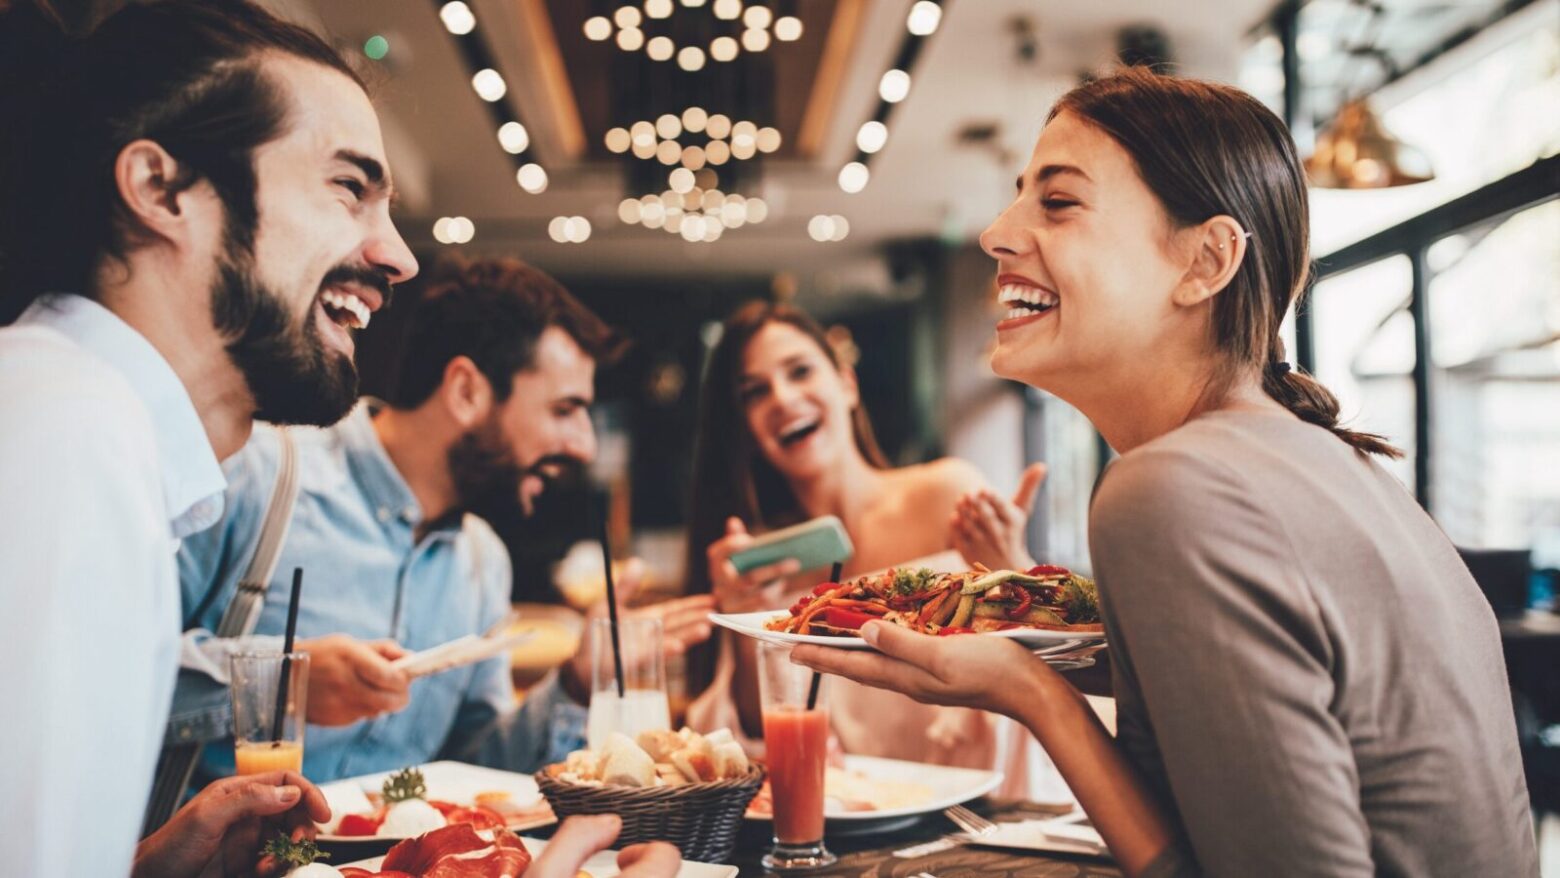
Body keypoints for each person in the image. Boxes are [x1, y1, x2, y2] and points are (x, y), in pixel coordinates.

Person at [792, 67, 1539, 877]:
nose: (996, 234)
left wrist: (1035, 694)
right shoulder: (1338, 467)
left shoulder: (1172, 486)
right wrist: (1045, 643)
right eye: (1017, 197)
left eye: (1059, 201)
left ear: (1205, 261)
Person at [0, 1, 416, 874]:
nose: (397, 256)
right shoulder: (67, 431)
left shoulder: (83, 421)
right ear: (161, 190)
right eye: (349, 187)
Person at [174, 258, 716, 786]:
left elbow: (476, 769)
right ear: (465, 391)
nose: (584, 444)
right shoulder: (254, 475)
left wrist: (576, 683)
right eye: (564, 409)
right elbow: (106, 670)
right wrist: (283, 682)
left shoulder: (482, 561)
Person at [682, 302, 1050, 790]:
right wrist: (743, 624)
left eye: (800, 371)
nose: (783, 398)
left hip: (981, 800)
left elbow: (1034, 668)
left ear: (846, 384)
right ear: (744, 428)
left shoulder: (944, 495)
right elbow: (760, 734)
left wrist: (1014, 569)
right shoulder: (764, 565)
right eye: (754, 393)